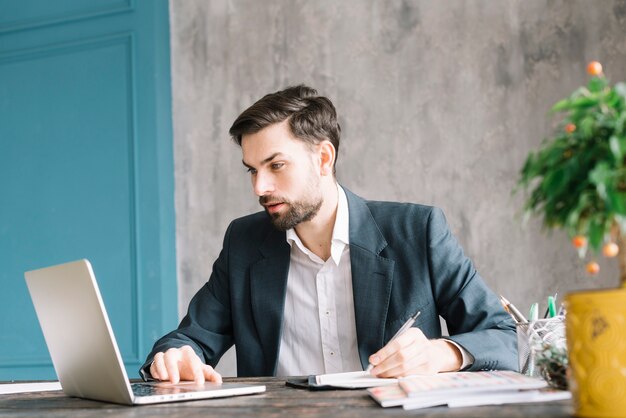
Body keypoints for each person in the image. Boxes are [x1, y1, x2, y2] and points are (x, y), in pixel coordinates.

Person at [140, 85, 517, 384]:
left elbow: (506, 338)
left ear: (324, 158)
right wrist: (175, 356)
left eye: (276, 165)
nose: (260, 187)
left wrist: (440, 354)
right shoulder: (244, 242)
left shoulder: (418, 231)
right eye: (252, 170)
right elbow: (189, 337)